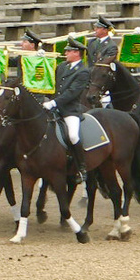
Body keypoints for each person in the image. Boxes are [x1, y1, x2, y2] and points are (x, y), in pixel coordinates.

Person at [44, 39, 90, 181]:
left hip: (70, 110)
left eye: (69, 51)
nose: (66, 53)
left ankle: (81, 167)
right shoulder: (62, 66)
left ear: (77, 53)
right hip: (54, 107)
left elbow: (72, 92)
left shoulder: (83, 71)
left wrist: (54, 103)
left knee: (73, 136)